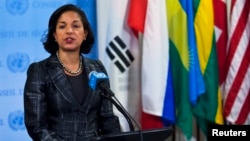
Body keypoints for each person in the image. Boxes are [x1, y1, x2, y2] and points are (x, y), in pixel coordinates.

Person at [23, 4, 121, 141]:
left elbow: (108, 118)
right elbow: (36, 126)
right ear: (54, 35)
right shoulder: (39, 70)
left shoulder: (97, 67)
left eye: (76, 26)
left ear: (85, 33)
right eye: (62, 26)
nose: (69, 31)